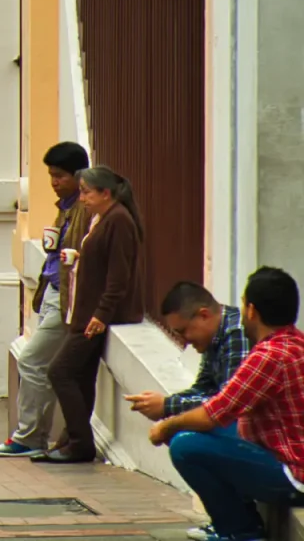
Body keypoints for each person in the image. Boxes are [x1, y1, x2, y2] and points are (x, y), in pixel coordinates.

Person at [150, 266, 304, 541]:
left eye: (244, 304)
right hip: (285, 456)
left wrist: (166, 425)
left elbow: (215, 412)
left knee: (186, 445)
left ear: (252, 310)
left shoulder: (269, 355)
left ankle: (241, 533)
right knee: (202, 432)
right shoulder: (294, 343)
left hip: (293, 474)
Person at [0, 141, 92, 457]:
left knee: (33, 359)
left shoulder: (84, 210)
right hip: (52, 291)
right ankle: (37, 435)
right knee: (46, 364)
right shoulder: (65, 208)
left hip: (66, 297)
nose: (54, 182)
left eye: (60, 176)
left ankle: (31, 436)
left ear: (79, 175)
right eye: (50, 175)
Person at [40, 165, 144, 464]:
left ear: (105, 193)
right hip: (82, 311)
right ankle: (70, 441)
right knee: (81, 377)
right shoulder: (100, 218)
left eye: (87, 192)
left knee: (59, 371)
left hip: (94, 316)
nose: (82, 197)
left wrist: (101, 313)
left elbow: (118, 275)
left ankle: (79, 443)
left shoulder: (119, 221)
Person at [127, 281, 251, 424]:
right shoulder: (213, 336)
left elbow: (228, 405)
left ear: (203, 315)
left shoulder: (237, 332)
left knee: (183, 441)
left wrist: (167, 407)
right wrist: (163, 403)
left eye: (183, 331)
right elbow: (204, 389)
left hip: (253, 431)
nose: (184, 341)